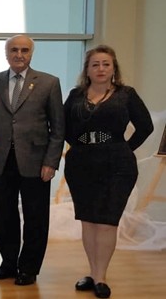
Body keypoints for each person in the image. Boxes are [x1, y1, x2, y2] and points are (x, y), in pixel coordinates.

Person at [0, 34, 65, 286]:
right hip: (1, 160)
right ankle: (9, 263)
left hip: (36, 162)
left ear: (31, 54)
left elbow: (58, 128)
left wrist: (51, 162)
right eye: (14, 50)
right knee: (4, 216)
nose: (19, 55)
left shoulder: (49, 83)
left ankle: (29, 267)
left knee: (36, 217)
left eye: (24, 50)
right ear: (6, 53)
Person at [63, 45, 153, 298]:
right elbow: (63, 127)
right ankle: (92, 273)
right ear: (87, 70)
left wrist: (124, 148)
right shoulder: (75, 95)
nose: (101, 69)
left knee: (106, 222)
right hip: (81, 164)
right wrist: (81, 146)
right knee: (89, 221)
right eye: (95, 64)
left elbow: (145, 126)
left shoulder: (126, 95)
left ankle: (101, 277)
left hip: (117, 166)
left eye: (106, 64)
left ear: (114, 69)